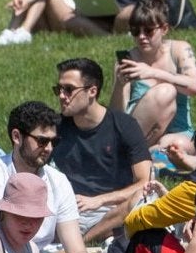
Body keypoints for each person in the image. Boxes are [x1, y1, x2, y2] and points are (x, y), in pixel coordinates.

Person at [52, 58, 154, 232]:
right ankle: (90, 237)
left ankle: (84, 240)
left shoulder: (124, 125)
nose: (62, 96)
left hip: (114, 208)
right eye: (58, 89)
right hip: (73, 209)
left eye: (68, 89)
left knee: (141, 199)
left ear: (92, 91)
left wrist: (99, 200)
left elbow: (144, 182)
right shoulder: (55, 127)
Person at [114, 0, 196, 159]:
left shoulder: (179, 49)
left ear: (164, 29)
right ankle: (142, 152)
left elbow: (195, 87)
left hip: (177, 132)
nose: (141, 37)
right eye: (135, 31)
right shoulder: (129, 59)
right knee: (166, 91)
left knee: (178, 145)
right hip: (138, 133)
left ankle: (149, 154)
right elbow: (117, 114)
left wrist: (153, 73)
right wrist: (119, 86)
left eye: (148, 31)